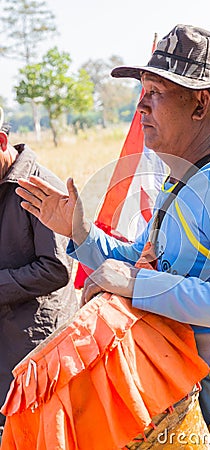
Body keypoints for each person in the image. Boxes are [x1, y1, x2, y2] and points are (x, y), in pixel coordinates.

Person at [16, 25, 210, 449]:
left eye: (155, 92)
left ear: (200, 105)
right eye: (142, 91)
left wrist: (139, 286)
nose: (140, 105)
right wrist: (80, 233)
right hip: (177, 416)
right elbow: (140, 260)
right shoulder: (178, 179)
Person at [0, 108, 78, 437]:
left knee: (40, 434)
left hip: (36, 343)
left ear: (2, 141)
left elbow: (57, 268)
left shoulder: (40, 186)